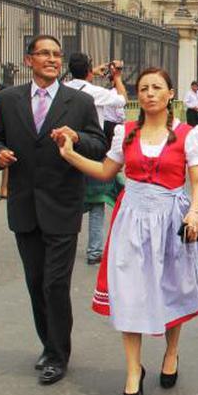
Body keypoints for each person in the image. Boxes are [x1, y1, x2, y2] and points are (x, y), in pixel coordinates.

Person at [55, 68, 198, 395]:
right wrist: (70, 154)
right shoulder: (125, 132)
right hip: (131, 219)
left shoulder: (188, 134)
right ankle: (133, 371)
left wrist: (195, 212)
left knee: (171, 288)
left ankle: (171, 352)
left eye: (157, 87)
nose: (150, 93)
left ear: (170, 94)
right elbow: (105, 171)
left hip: (171, 219)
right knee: (129, 292)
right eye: (144, 88)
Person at [0, 34, 107, 385]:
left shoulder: (79, 102)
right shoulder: (9, 100)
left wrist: (77, 138)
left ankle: (57, 354)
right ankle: (48, 343)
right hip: (24, 206)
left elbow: (98, 144)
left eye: (56, 54)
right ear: (29, 60)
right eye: (44, 54)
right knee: (36, 283)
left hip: (62, 206)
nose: (52, 59)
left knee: (55, 284)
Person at [66, 52, 128, 265]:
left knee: (68, 200)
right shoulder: (96, 92)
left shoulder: (63, 89)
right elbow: (122, 99)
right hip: (92, 149)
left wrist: (91, 71)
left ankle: (64, 246)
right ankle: (94, 251)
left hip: (67, 148)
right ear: (88, 71)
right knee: (96, 202)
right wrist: (117, 77)